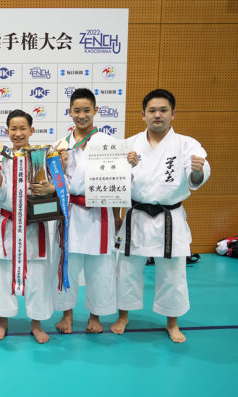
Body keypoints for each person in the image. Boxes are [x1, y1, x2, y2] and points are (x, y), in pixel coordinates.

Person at [111, 89, 210, 343]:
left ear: (173, 114)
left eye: (163, 110)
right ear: (143, 115)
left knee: (173, 274)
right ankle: (123, 316)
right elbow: (116, 183)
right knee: (127, 269)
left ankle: (172, 323)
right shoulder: (129, 145)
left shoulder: (187, 145)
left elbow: (196, 178)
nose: (157, 115)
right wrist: (126, 167)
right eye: (152, 110)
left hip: (169, 217)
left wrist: (198, 171)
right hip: (136, 216)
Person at [52, 88, 131, 334]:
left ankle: (95, 315)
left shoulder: (110, 144)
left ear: (96, 111)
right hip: (70, 213)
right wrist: (60, 165)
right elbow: (52, 183)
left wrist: (117, 216)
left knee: (100, 267)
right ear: (69, 112)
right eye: (77, 110)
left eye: (87, 110)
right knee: (68, 264)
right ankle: (67, 314)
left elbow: (118, 183)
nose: (82, 115)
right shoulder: (60, 145)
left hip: (100, 213)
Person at [0, 110, 56, 343]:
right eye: (13, 129)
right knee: (3, 274)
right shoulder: (0, 157)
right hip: (8, 224)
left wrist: (51, 187)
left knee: (37, 276)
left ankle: (36, 324)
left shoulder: (42, 156)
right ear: (7, 132)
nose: (18, 133)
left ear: (31, 130)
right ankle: (2, 321)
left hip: (34, 224)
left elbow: (56, 188)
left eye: (22, 128)